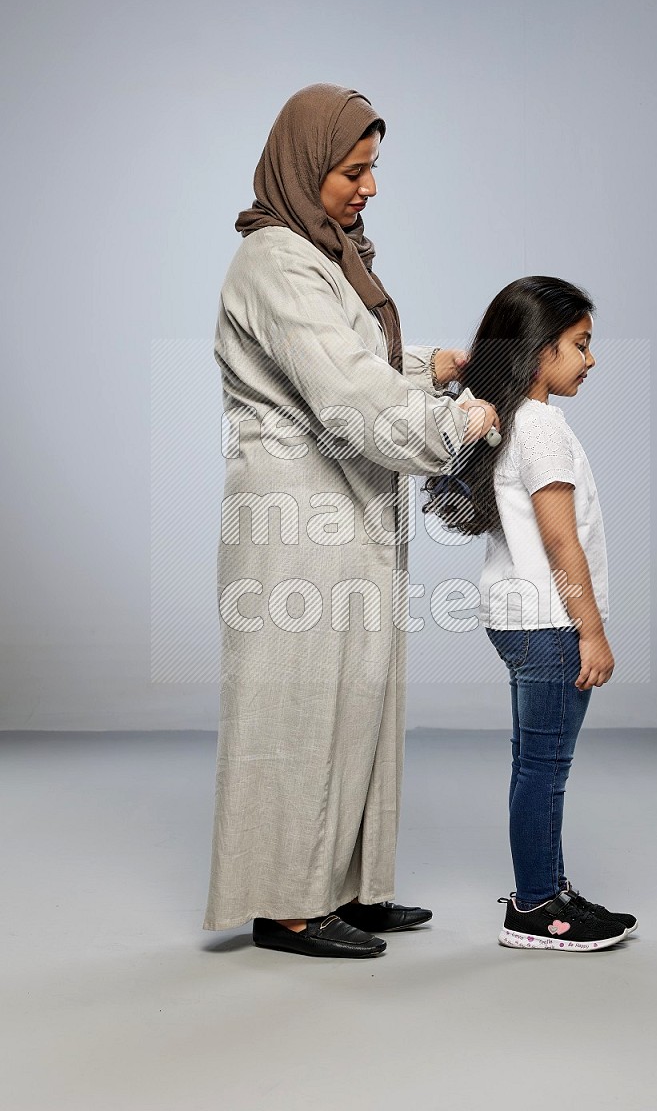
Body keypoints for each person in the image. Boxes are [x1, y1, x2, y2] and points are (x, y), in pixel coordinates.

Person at [203, 83, 500, 958]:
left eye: (374, 170)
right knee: (295, 703)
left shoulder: (320, 256)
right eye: (351, 170)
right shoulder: (275, 261)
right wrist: (452, 423)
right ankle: (287, 905)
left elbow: (357, 354)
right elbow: (344, 390)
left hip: (344, 501)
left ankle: (346, 887)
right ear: (304, 167)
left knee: (359, 695)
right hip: (297, 515)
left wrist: (431, 362)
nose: (367, 187)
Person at [422, 276, 638, 952]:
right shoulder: (541, 427)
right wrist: (593, 630)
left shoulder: (511, 419)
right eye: (580, 344)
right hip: (549, 620)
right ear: (540, 351)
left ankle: (546, 889)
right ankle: (537, 908)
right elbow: (559, 540)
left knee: (534, 765)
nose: (591, 359)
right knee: (545, 767)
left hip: (517, 614)